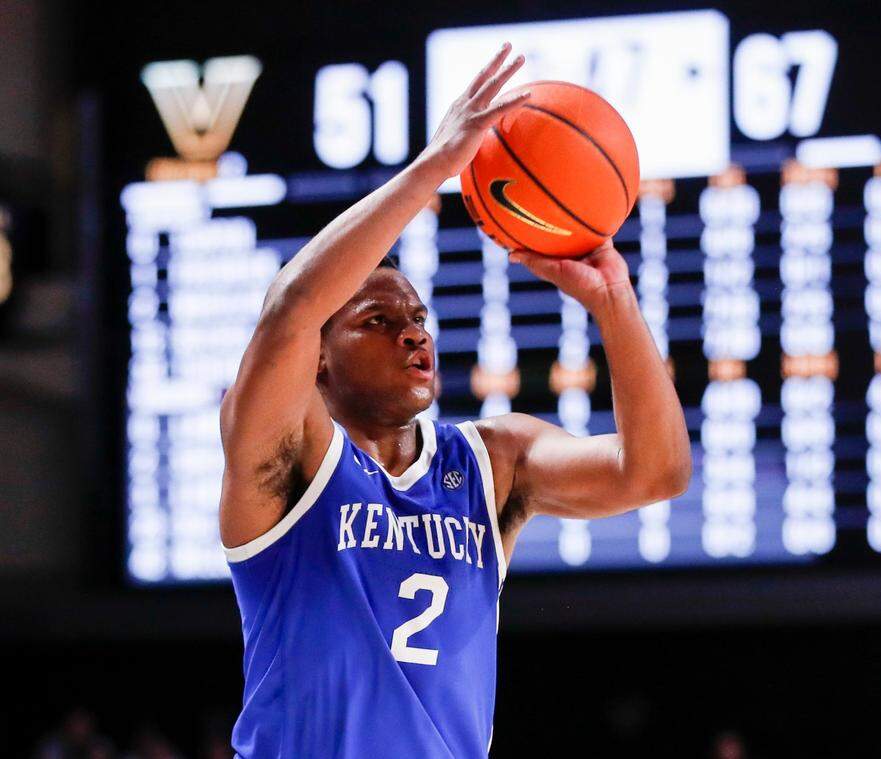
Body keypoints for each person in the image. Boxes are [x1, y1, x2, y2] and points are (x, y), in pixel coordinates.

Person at [219, 43, 690, 758]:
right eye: (378, 320)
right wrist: (436, 167)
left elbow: (654, 472)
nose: (413, 333)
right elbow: (290, 308)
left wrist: (614, 301)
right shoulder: (289, 456)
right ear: (317, 355)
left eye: (418, 318)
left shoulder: (489, 462)